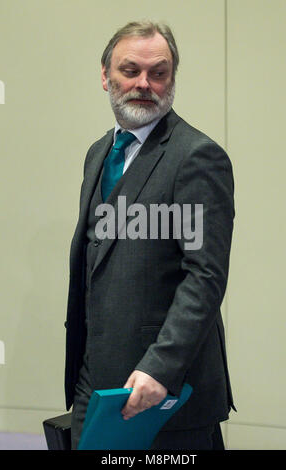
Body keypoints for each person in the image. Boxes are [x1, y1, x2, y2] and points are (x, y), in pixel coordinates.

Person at [64, 20, 236, 450]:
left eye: (159, 73)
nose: (145, 83)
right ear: (105, 76)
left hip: (165, 393)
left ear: (172, 79)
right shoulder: (99, 153)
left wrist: (161, 367)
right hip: (97, 388)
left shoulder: (197, 156)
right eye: (130, 70)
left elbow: (204, 276)